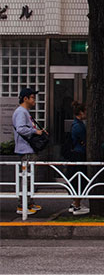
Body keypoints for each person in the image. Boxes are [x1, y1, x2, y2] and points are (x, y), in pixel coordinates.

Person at [12, 87, 45, 215]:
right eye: (32, 97)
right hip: (26, 149)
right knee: (26, 178)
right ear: (25, 98)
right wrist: (34, 131)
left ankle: (29, 202)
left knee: (30, 177)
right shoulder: (21, 112)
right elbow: (20, 129)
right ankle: (22, 205)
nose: (34, 100)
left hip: (28, 148)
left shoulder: (24, 112)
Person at [68, 101, 89, 215]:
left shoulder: (75, 124)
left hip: (76, 153)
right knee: (79, 179)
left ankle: (75, 203)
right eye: (85, 111)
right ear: (81, 112)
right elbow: (83, 141)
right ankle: (77, 204)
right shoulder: (79, 126)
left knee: (77, 179)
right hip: (79, 154)